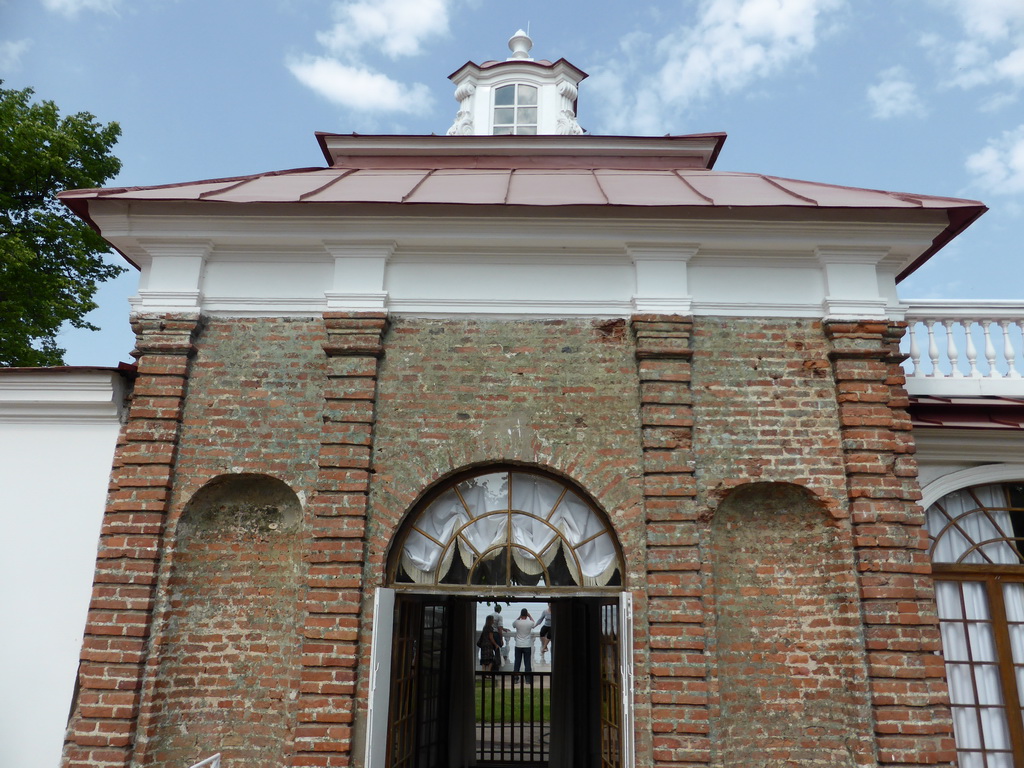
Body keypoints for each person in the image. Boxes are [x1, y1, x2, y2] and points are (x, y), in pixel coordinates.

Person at [512, 608, 536, 682]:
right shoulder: (529, 623)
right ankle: (528, 679)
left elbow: (513, 624)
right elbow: (534, 624)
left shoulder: (517, 622)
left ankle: (516, 678)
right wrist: (530, 616)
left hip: (518, 645)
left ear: (521, 614)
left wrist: (519, 617)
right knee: (527, 662)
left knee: (517, 662)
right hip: (527, 645)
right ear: (526, 615)